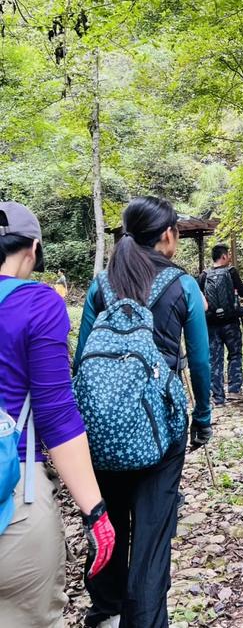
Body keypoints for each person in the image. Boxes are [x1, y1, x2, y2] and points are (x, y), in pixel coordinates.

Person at [75, 196, 212, 628]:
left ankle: (106, 611)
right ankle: (145, 619)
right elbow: (200, 361)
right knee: (152, 536)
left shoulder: (101, 285)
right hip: (160, 429)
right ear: (168, 235)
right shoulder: (182, 284)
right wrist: (202, 418)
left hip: (104, 425)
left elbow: (81, 361)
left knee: (110, 518)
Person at [0, 201, 115, 628]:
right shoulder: (37, 302)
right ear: (33, 249)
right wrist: (95, 511)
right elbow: (55, 414)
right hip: (14, 498)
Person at [199, 243, 243, 405]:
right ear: (224, 256)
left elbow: (199, 298)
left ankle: (217, 396)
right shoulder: (231, 272)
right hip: (231, 323)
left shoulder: (204, 275)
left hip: (211, 324)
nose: (230, 257)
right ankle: (234, 391)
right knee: (234, 355)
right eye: (229, 254)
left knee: (215, 359)